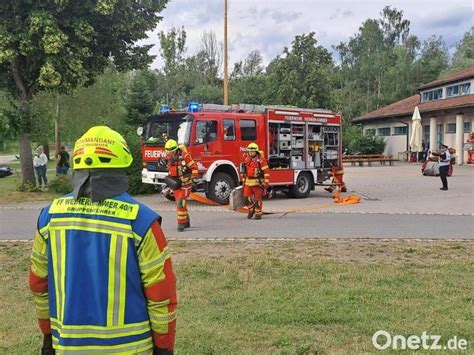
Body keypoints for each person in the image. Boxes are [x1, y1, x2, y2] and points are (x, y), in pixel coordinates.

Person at [29, 126, 176, 355]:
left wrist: (48, 336)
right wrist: (164, 347)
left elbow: (39, 285)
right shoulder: (141, 221)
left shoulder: (49, 217)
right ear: (122, 164)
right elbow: (161, 294)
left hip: (67, 346)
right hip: (130, 348)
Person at [164, 139, 198, 232]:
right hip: (175, 185)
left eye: (171, 152)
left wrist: (194, 179)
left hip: (185, 184)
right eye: (168, 152)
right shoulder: (168, 157)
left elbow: (194, 167)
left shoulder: (185, 156)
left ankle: (181, 223)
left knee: (180, 203)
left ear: (176, 149)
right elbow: (169, 169)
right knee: (181, 204)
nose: (170, 154)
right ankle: (186, 221)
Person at [240, 143, 270, 220]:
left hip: (258, 183)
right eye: (249, 151)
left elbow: (266, 171)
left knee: (258, 199)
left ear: (256, 152)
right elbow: (244, 171)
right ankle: (251, 209)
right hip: (248, 182)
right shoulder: (246, 159)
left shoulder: (261, 160)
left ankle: (258, 213)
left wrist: (266, 182)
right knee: (245, 198)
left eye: (252, 151)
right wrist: (243, 180)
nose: (250, 153)